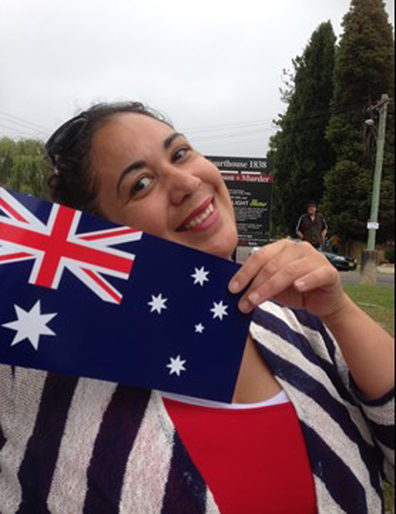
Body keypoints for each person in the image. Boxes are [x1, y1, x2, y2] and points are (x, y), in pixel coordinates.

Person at [0, 102, 394, 514]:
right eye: (141, 183)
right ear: (98, 234)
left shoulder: (301, 322)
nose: (185, 181)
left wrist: (340, 310)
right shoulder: (34, 369)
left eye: (180, 154)